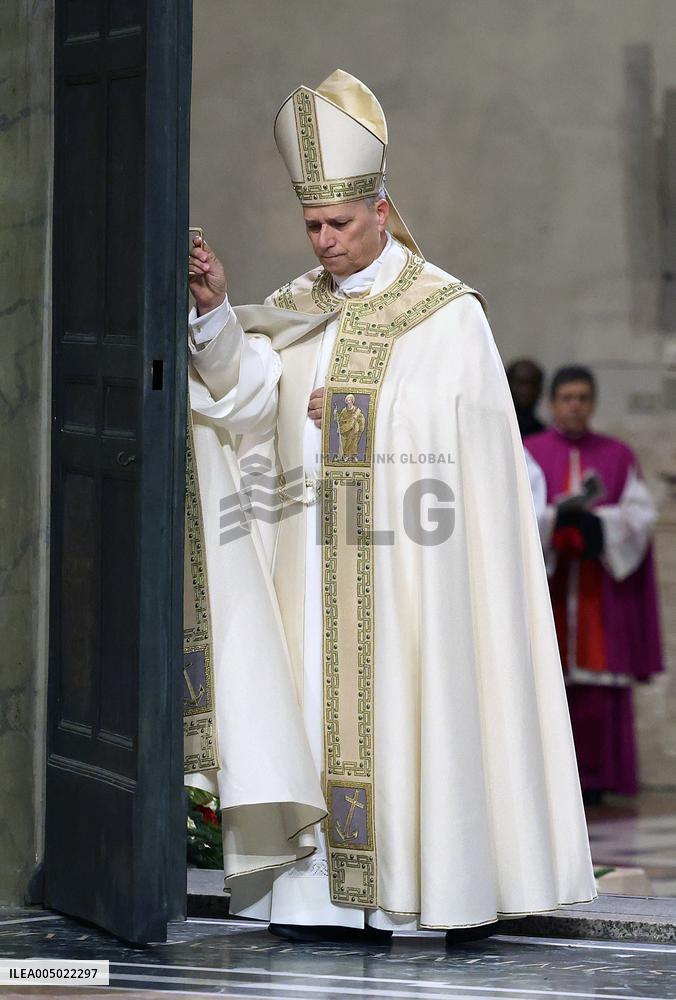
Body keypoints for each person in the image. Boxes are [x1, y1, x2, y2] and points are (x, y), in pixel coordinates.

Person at [183, 69, 595, 944]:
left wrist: (365, 418)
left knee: (416, 718)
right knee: (309, 716)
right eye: (311, 227)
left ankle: (422, 890)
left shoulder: (444, 313)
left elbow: (471, 447)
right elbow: (246, 403)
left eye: (338, 223)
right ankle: (317, 901)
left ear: (379, 204)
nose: (324, 242)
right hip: (312, 580)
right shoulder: (295, 308)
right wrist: (217, 315)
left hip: (410, 580)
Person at [525, 366, 663, 803]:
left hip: (597, 592)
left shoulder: (618, 454)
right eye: (567, 398)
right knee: (545, 683)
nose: (575, 406)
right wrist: (554, 519)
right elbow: (513, 512)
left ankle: (596, 784)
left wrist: (598, 524)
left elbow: (640, 516)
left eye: (583, 398)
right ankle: (544, 784)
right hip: (547, 587)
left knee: (597, 691)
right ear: (552, 403)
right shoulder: (529, 450)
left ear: (594, 403)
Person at [506, 358, 546, 437]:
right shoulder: (495, 428)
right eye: (520, 383)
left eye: (533, 384)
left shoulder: (542, 434)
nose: (526, 391)